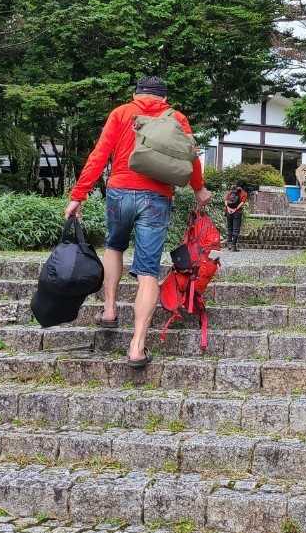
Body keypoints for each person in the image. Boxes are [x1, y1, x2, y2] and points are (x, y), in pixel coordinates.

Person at [65, 76, 210, 367]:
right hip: (157, 197)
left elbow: (99, 155)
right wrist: (199, 189)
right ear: (164, 98)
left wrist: (78, 195)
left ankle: (109, 309)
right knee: (147, 271)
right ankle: (137, 346)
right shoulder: (177, 118)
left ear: (136, 94)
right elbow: (190, 157)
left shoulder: (121, 113)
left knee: (114, 246)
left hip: (119, 192)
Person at [224, 181, 248, 251]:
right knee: (236, 229)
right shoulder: (244, 193)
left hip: (228, 212)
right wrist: (235, 209)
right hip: (237, 212)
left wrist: (228, 209)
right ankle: (233, 246)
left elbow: (226, 200)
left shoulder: (231, 191)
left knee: (229, 228)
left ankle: (229, 244)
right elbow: (242, 203)